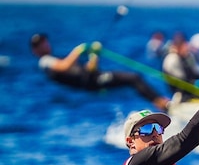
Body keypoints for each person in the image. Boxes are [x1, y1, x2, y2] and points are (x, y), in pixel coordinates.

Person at [30, 33, 170, 111]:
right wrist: (79, 49)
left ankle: (160, 102)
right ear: (35, 50)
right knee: (132, 78)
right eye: (40, 44)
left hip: (93, 78)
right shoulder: (45, 61)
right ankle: (161, 102)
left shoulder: (54, 58)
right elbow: (64, 66)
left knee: (134, 78)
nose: (45, 45)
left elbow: (89, 69)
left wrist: (93, 56)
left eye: (44, 42)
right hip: (92, 82)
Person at [162, 32, 199, 102]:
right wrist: (194, 82)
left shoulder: (188, 56)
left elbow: (194, 72)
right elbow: (179, 80)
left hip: (189, 85)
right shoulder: (171, 59)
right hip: (181, 92)